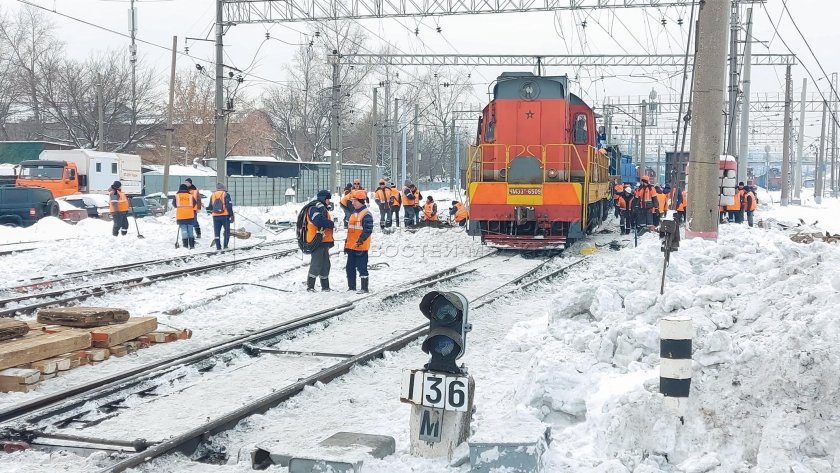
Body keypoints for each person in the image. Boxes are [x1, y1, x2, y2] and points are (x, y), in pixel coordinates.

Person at [305, 190, 335, 291]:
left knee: (325, 264)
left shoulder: (323, 209)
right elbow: (318, 220)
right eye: (327, 199)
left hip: (324, 241)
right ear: (323, 199)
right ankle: (310, 286)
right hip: (316, 241)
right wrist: (331, 224)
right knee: (316, 263)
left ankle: (325, 286)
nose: (329, 201)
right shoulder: (313, 209)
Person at [345, 190, 373, 293]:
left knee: (362, 267)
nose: (352, 203)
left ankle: (364, 288)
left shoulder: (366, 214)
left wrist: (361, 239)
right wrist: (346, 244)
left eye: (354, 201)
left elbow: (368, 229)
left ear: (360, 201)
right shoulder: (354, 213)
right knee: (350, 268)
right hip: (352, 246)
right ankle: (351, 287)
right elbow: (350, 231)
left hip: (361, 246)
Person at [209, 183, 234, 250]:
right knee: (227, 231)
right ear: (223, 187)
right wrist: (231, 215)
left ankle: (218, 247)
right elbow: (229, 205)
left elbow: (210, 207)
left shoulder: (213, 195)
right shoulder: (225, 194)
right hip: (225, 216)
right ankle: (225, 245)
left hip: (215, 216)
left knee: (217, 232)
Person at [175, 183, 197, 249]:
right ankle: (192, 245)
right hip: (190, 215)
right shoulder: (190, 196)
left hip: (181, 216)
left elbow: (174, 204)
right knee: (190, 230)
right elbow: (194, 203)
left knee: (184, 230)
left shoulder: (177, 196)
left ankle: (185, 246)